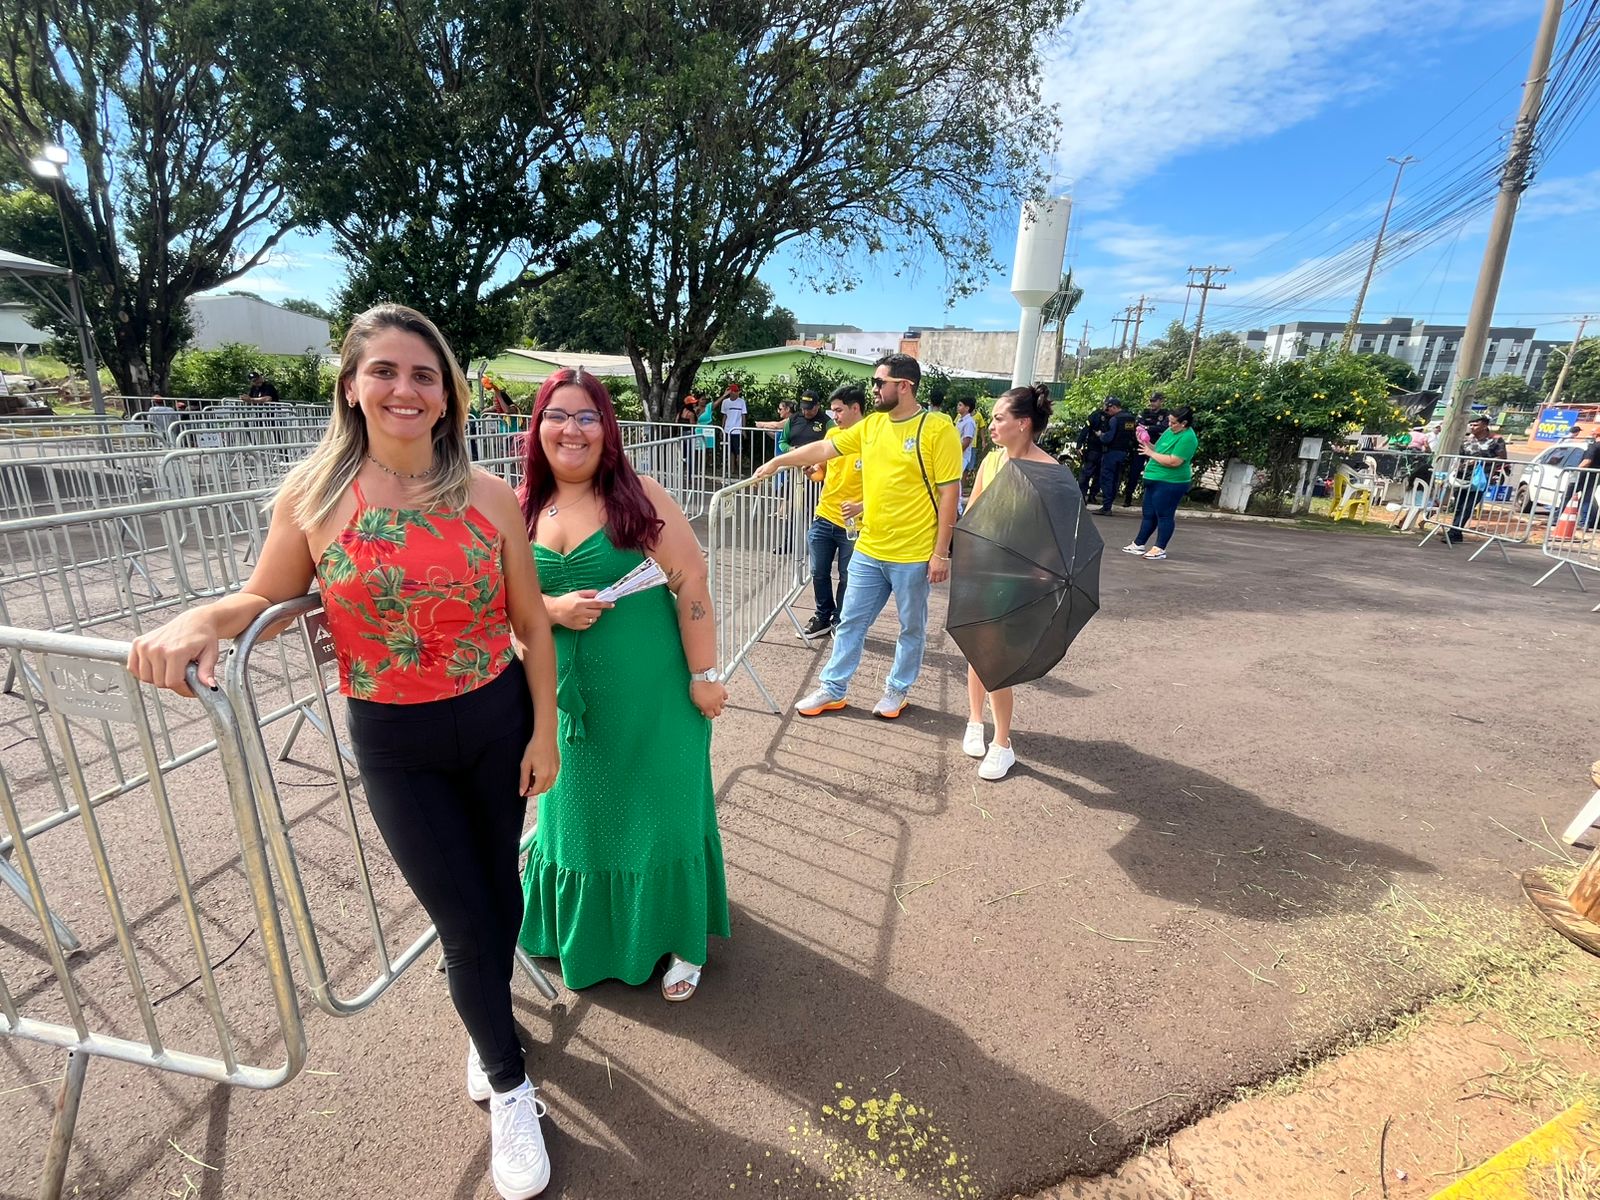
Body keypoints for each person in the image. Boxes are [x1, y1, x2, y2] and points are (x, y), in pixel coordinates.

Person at [127, 304, 561, 1200]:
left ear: (448, 395)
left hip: (496, 718)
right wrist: (204, 617)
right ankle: (511, 1084)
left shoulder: (486, 495)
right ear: (353, 387)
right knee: (463, 920)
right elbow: (264, 596)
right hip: (396, 741)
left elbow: (531, 622)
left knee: (499, 891)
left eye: (424, 375)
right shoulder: (315, 495)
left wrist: (545, 729)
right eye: (385, 372)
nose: (406, 389)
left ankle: (486, 1031)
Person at [516, 367, 730, 1005]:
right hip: (563, 703)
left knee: (663, 812)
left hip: (654, 697)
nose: (572, 429)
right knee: (577, 815)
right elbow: (501, 600)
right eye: (558, 415)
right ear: (538, 426)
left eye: (587, 416)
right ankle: (582, 930)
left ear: (607, 428)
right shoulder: (520, 506)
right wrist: (553, 609)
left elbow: (690, 583)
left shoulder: (640, 496)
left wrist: (705, 676)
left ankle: (681, 938)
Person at [754, 353, 961, 719]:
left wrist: (940, 552)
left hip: (913, 553)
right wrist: (777, 462)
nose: (874, 389)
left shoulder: (936, 428)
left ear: (904, 386)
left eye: (879, 382)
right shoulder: (872, 426)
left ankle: (897, 690)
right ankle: (833, 688)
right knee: (850, 620)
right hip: (869, 546)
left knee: (911, 628)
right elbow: (825, 448)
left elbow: (950, 493)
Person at [961, 384, 1060, 782]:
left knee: (996, 658)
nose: (992, 425)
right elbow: (973, 514)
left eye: (999, 418)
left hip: (1020, 578)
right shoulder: (991, 461)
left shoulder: (1049, 471)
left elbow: (1058, 534)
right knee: (976, 646)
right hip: (983, 569)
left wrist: (1042, 567)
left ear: (1023, 423)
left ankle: (1003, 744)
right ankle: (974, 720)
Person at [799, 385, 866, 640]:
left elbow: (885, 485)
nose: (834, 416)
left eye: (838, 410)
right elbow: (821, 473)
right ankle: (822, 616)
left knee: (848, 576)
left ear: (855, 408)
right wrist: (812, 472)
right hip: (824, 515)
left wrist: (862, 506)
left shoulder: (871, 439)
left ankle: (841, 620)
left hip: (855, 523)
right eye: (832, 411)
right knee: (818, 571)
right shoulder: (832, 435)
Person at [1121, 405, 1199, 561]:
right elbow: (1158, 449)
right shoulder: (1170, 432)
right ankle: (1139, 543)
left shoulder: (1188, 438)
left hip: (1171, 482)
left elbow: (1174, 461)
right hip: (1154, 479)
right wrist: (1146, 443)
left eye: (1173, 423)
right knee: (1148, 514)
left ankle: (1160, 548)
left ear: (1184, 423)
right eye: (1169, 421)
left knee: (1164, 515)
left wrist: (1150, 453)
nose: (1170, 425)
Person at [1445, 416, 1508, 544]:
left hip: (1482, 477)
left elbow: (1502, 458)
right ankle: (1457, 532)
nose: (1472, 427)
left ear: (1485, 426)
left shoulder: (1496, 440)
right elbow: (1460, 457)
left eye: (1476, 425)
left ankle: (1453, 532)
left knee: (1468, 505)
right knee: (1458, 505)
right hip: (1463, 475)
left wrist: (1481, 461)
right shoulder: (1466, 439)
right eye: (1471, 425)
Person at [1125, 392, 1170, 506]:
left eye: (1154, 401)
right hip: (1141, 446)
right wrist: (1150, 428)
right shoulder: (1144, 412)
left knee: (1156, 473)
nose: (1152, 403)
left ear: (1161, 401)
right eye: (1151, 401)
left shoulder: (1165, 414)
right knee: (1134, 472)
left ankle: (1154, 498)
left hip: (1156, 447)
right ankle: (1128, 498)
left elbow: (1164, 428)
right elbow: (1137, 426)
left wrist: (1147, 427)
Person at [1095, 397, 1136, 515]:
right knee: (1115, 480)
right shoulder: (1130, 418)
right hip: (1124, 452)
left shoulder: (1115, 419)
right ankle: (1109, 504)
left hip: (1112, 452)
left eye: (1109, 409)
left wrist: (1101, 435)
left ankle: (1106, 507)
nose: (1108, 412)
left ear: (1114, 407)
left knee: (1107, 479)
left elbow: (1108, 438)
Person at [1076, 405, 1107, 504]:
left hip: (1104, 451)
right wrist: (1079, 445)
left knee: (1099, 476)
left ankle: (1092, 496)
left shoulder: (1112, 417)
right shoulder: (1095, 415)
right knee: (1086, 474)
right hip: (1093, 449)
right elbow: (1085, 430)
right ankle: (1082, 496)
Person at [956, 397, 978, 477]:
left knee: (957, 477)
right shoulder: (960, 420)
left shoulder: (969, 422)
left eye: (960, 405)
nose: (958, 407)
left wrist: (957, 452)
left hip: (962, 456)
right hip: (957, 454)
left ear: (967, 408)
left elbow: (967, 441)